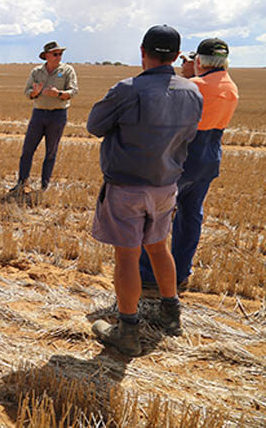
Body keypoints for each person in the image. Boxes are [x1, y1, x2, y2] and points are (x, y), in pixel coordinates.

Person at [87, 25, 203, 356]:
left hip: (127, 186)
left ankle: (127, 329)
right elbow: (189, 137)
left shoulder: (126, 89)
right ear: (178, 55)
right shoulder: (193, 92)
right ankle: (171, 315)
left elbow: (94, 125)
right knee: (158, 247)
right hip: (167, 186)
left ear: (142, 51)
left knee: (127, 255)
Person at [140, 38, 239, 292]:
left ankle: (149, 276)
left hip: (183, 156)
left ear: (199, 61)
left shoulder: (193, 86)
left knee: (158, 215)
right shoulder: (231, 87)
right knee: (191, 215)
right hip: (209, 157)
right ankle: (181, 273)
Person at [11, 41, 78, 192]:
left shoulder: (67, 71)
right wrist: (34, 93)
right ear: (46, 56)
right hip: (39, 114)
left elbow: (73, 91)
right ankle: (21, 184)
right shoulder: (36, 72)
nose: (59, 56)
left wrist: (59, 94)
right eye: (55, 54)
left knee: (51, 152)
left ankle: (44, 187)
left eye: (60, 54)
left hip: (58, 115)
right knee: (27, 150)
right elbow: (27, 91)